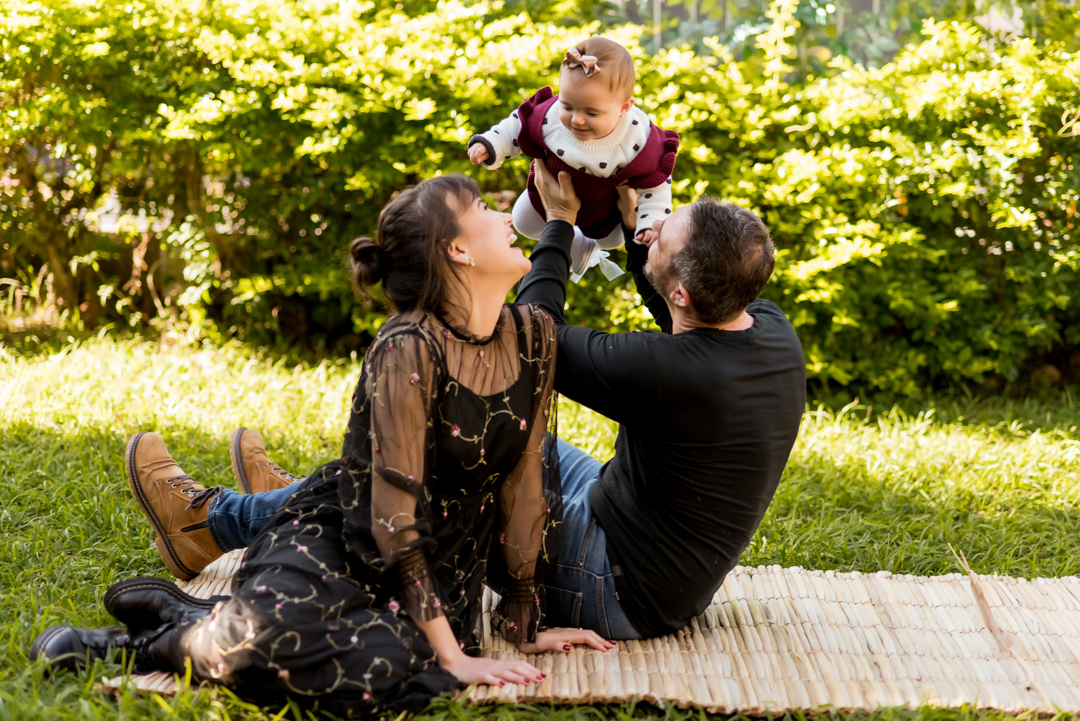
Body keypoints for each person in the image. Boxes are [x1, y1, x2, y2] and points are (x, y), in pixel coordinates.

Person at [29, 175, 612, 716]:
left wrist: (524, 620)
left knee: (380, 669)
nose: (506, 215)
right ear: (457, 250)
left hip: (439, 571)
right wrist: (454, 655)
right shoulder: (406, 348)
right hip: (346, 538)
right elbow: (390, 516)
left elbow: (525, 482)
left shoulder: (534, 335)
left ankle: (197, 620)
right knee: (278, 643)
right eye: (483, 207)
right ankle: (140, 644)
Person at [514, 162, 807, 639]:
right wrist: (637, 238)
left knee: (462, 457)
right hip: (637, 540)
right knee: (505, 434)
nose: (657, 224)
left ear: (683, 293)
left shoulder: (666, 372)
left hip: (614, 588)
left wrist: (559, 223)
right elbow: (682, 315)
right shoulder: (771, 328)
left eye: (663, 234)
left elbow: (531, 337)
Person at [468, 36, 679, 282]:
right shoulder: (550, 117)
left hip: (603, 210)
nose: (577, 119)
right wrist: (492, 143)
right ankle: (577, 248)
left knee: (612, 239)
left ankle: (589, 244)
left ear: (624, 108)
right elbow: (517, 126)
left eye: (592, 113)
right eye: (567, 106)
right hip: (550, 193)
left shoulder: (639, 139)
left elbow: (656, 185)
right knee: (523, 220)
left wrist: (650, 222)